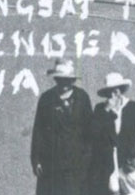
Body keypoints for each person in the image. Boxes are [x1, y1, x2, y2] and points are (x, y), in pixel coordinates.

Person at [31, 59, 93, 195]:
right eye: (60, 79)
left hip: (76, 161)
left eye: (67, 80)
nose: (63, 83)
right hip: (51, 161)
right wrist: (36, 160)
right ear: (56, 79)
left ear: (72, 80)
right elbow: (38, 130)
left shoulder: (82, 98)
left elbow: (90, 132)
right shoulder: (47, 98)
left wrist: (87, 160)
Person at [88, 72, 135, 189]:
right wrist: (106, 110)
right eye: (109, 92)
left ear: (120, 91)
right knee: (110, 188)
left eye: (115, 91)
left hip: (129, 157)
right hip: (107, 160)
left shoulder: (133, 107)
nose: (113, 95)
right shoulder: (100, 109)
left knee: (134, 188)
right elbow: (93, 131)